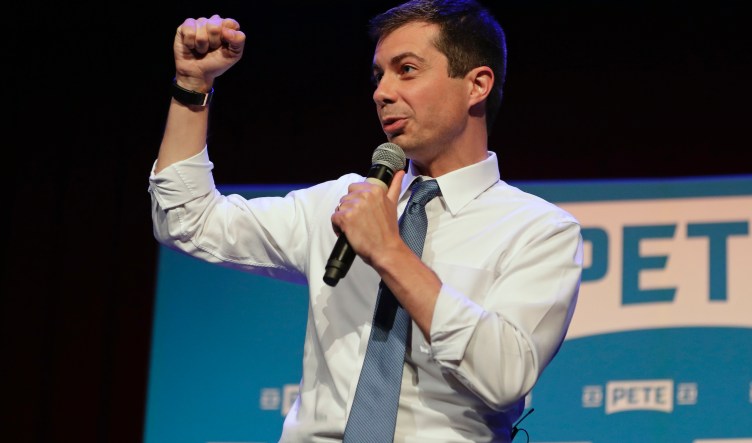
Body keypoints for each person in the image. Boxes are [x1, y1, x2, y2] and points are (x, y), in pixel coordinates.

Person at [149, 0, 583, 441]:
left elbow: (506, 374)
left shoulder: (539, 231)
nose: (382, 92)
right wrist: (191, 84)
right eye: (379, 76)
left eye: (407, 70)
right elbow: (187, 220)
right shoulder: (342, 202)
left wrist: (390, 251)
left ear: (477, 84)